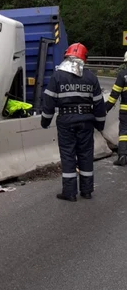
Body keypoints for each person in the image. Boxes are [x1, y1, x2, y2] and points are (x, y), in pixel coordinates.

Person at [41, 43, 106, 201]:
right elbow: (99, 104)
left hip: (66, 122)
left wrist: (45, 121)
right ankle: (87, 191)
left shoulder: (57, 76)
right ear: (84, 58)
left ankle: (69, 193)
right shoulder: (91, 77)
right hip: (86, 122)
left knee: (68, 155)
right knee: (86, 155)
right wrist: (100, 124)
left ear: (66, 56)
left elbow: (48, 101)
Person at [105, 51, 127, 166]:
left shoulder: (122, 75)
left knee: (124, 132)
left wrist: (105, 108)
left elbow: (115, 95)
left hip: (125, 111)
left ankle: (123, 155)